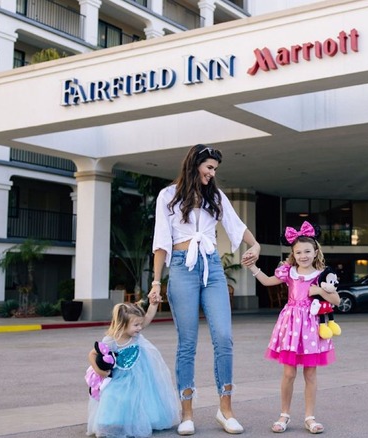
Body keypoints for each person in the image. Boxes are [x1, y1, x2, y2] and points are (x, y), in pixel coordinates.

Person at [149, 144, 261, 435]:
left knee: (224, 337)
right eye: (209, 167)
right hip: (182, 267)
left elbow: (236, 226)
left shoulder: (216, 196)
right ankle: (187, 413)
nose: (212, 174)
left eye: (215, 169)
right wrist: (156, 282)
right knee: (187, 343)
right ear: (194, 164)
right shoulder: (167, 196)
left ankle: (226, 410)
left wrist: (255, 245)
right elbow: (160, 241)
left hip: (211, 269)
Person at [245, 221, 340, 434]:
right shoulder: (288, 272)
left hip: (312, 327)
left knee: (311, 374)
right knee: (288, 373)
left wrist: (320, 292)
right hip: (291, 325)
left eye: (307, 251)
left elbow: (337, 300)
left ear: (315, 251)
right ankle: (284, 414)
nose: (303, 255)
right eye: (299, 252)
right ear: (293, 254)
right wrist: (253, 268)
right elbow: (269, 281)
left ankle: (309, 417)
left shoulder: (323, 275)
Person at [86, 300, 180, 438]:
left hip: (140, 374)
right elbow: (92, 354)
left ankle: (143, 421)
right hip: (119, 377)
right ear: (122, 325)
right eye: (136, 325)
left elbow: (147, 318)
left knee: (141, 397)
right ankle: (110, 422)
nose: (140, 328)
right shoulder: (111, 340)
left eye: (140, 324)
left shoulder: (135, 335)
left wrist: (153, 305)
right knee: (115, 397)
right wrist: (99, 371)